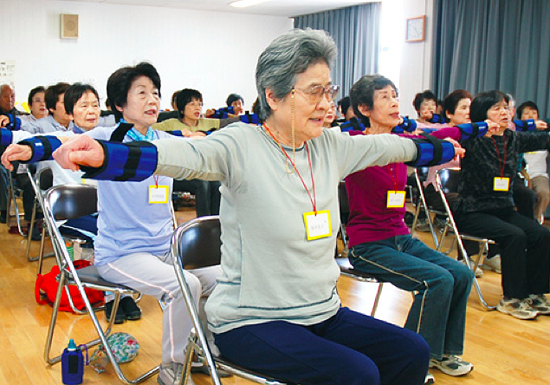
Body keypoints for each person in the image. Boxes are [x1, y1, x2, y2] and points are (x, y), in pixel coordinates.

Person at [46, 29, 466, 385]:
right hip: (251, 320)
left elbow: (390, 145)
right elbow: (176, 156)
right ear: (274, 95)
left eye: (330, 90)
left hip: (320, 311)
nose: (327, 103)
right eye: (314, 91)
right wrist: (106, 156)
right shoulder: (241, 144)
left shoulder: (330, 146)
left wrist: (441, 147)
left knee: (411, 350)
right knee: (357, 373)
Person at [3, 63, 221, 385]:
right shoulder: (106, 138)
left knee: (223, 276)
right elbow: (62, 138)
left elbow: (198, 147)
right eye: (142, 93)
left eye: (156, 93)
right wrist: (30, 148)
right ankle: (173, 369)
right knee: (183, 286)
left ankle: (201, 352)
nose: (152, 100)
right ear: (120, 104)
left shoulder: (163, 139)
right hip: (121, 254)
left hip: (166, 248)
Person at [346, 75, 478, 381]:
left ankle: (444, 352)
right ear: (365, 107)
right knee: (437, 280)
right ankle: (411, 358)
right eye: (385, 97)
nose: (394, 102)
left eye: (396, 96)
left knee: (461, 273)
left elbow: (437, 134)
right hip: (368, 245)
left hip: (402, 239)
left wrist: (455, 140)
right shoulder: (356, 146)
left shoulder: (404, 145)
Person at [451, 90, 550, 320]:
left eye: (505, 107)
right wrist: (479, 129)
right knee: (514, 235)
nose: (504, 112)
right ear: (482, 115)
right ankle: (511, 299)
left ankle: (534, 292)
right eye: (496, 108)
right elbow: (454, 135)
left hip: (502, 209)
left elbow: (543, 138)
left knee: (541, 234)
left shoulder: (512, 138)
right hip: (472, 210)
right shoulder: (471, 140)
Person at [520, 101, 550, 223]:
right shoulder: (517, 133)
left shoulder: (544, 135)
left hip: (538, 174)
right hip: (520, 174)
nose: (531, 116)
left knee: (544, 192)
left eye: (534, 113)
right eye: (526, 113)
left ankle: (537, 219)